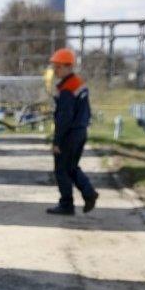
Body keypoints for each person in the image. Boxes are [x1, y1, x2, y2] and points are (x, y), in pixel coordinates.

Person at [46, 48, 98, 215]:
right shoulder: (78, 83)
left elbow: (64, 118)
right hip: (80, 131)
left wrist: (57, 142)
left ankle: (67, 205)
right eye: (54, 67)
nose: (55, 70)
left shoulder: (68, 88)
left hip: (69, 134)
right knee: (71, 167)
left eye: (58, 67)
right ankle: (89, 192)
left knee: (62, 169)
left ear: (68, 66)